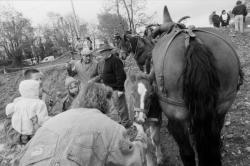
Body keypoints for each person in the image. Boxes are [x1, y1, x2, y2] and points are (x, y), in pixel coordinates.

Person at [13, 83, 148, 166]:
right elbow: (134, 161)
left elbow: (22, 156)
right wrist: (140, 139)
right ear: (105, 101)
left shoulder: (53, 121)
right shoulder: (109, 127)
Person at [90, 44, 132, 128]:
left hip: (116, 88)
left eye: (103, 52)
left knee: (121, 106)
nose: (101, 54)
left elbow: (121, 75)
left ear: (108, 51)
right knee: (115, 107)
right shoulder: (104, 61)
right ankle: (120, 121)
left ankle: (126, 123)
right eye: (101, 52)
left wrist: (120, 89)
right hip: (109, 89)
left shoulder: (115, 60)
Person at [5, 80, 50, 146]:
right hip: (32, 133)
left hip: (19, 132)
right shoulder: (39, 103)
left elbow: (8, 110)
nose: (41, 89)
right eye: (39, 88)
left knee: (24, 147)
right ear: (33, 91)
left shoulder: (18, 101)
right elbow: (43, 120)